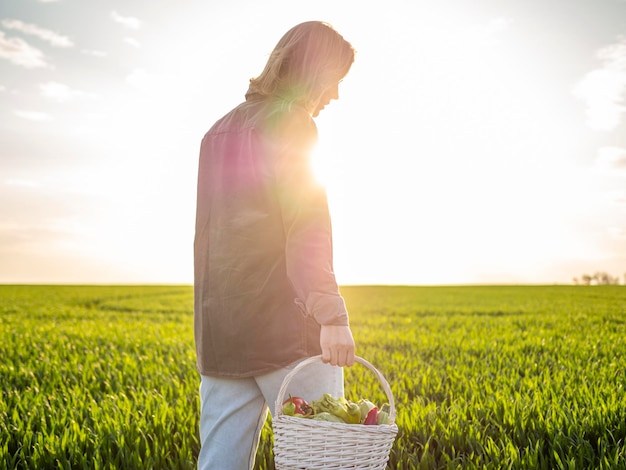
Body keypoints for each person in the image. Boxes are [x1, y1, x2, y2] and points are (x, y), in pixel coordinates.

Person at [193, 21, 356, 469]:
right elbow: (306, 227)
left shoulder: (216, 132)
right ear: (313, 71)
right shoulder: (293, 122)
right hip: (287, 337)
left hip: (221, 338)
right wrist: (332, 315)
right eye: (335, 80)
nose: (336, 95)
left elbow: (210, 240)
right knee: (323, 462)